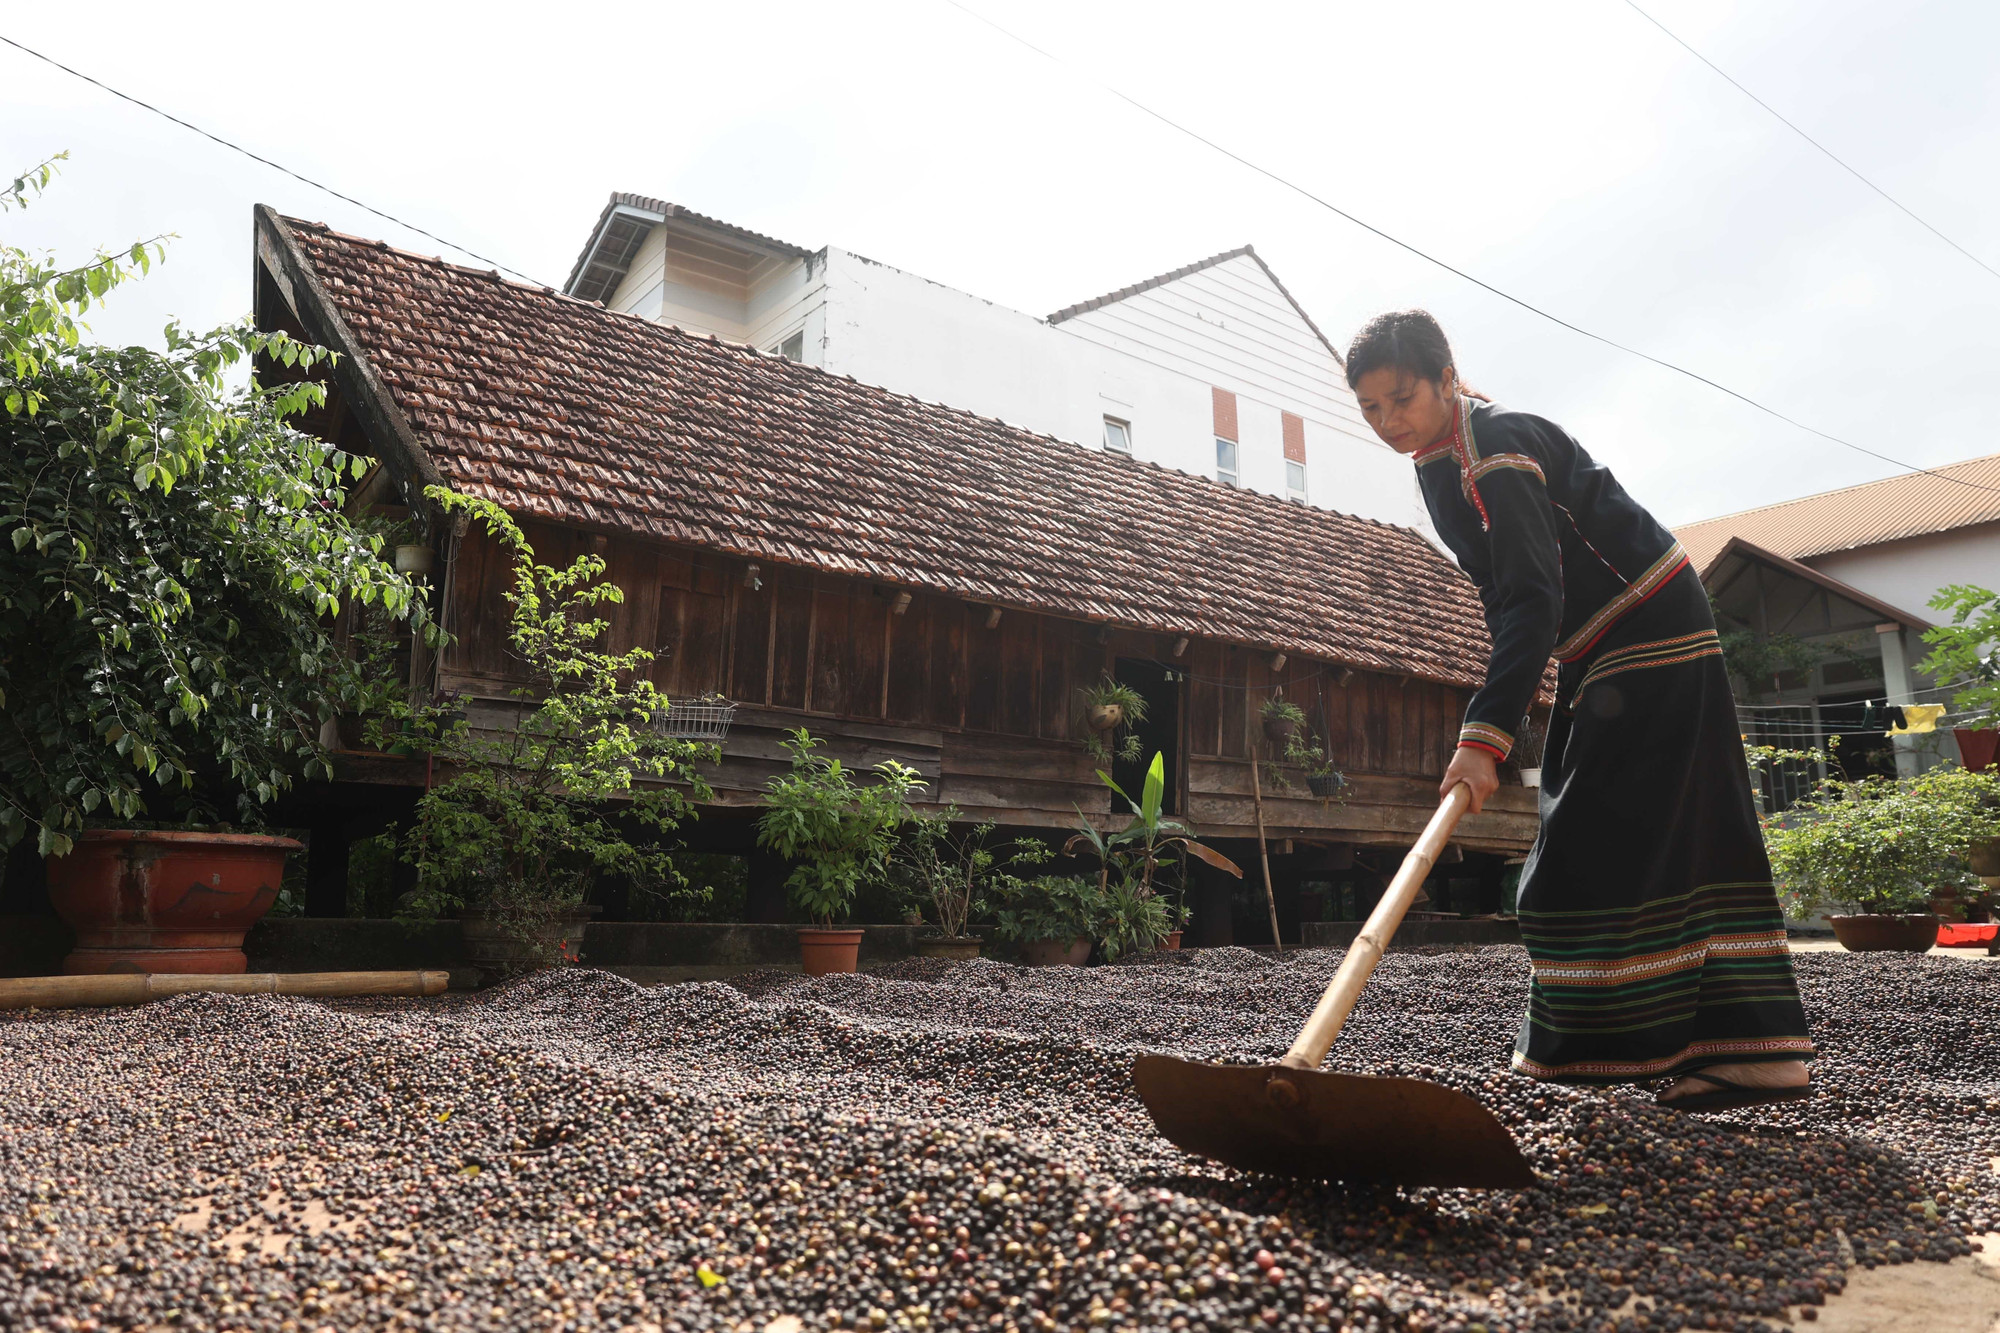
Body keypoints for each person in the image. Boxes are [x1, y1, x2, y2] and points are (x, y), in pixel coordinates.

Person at [1345, 309, 1813, 1111]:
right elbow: (1504, 599)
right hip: (1597, 647)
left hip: (1650, 623)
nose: (1391, 421)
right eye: (1372, 409)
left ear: (1446, 377)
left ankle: (1626, 1055)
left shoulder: (1495, 450)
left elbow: (1533, 597)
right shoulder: (1436, 464)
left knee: (1591, 845)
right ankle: (1734, 1050)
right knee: (1650, 842)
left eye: (1403, 398)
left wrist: (1484, 734)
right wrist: (1503, 713)